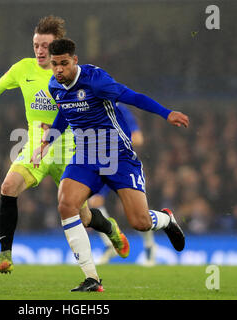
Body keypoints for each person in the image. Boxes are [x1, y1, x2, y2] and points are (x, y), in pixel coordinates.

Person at [0, 17, 129, 289]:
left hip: (69, 149)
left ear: (57, 48)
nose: (39, 51)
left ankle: (110, 228)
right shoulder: (22, 68)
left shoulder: (69, 74)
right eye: (36, 45)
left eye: (45, 46)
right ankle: (5, 256)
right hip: (35, 146)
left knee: (82, 215)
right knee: (8, 186)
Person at [32, 38, 189, 291]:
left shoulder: (96, 80)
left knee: (140, 222)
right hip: (85, 155)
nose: (58, 69)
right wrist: (47, 141)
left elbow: (132, 97)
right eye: (54, 65)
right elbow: (63, 113)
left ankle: (166, 220)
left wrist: (166, 113)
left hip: (118, 156)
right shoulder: (54, 85)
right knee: (66, 204)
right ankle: (92, 278)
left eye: (63, 64)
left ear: (74, 60)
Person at [89, 104, 156, 266]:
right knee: (94, 202)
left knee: (136, 212)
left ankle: (149, 246)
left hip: (123, 165)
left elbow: (138, 138)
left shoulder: (119, 109)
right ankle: (110, 245)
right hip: (104, 165)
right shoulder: (88, 107)